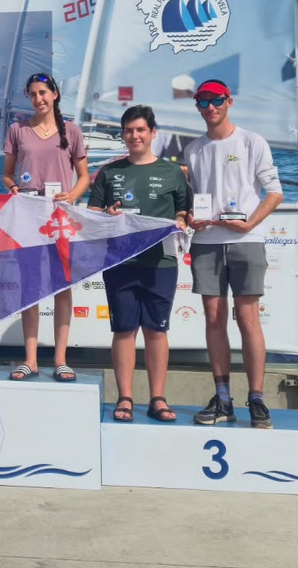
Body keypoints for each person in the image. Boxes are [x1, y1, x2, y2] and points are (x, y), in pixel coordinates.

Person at [185, 79, 283, 429]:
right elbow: (193, 198)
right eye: (203, 102)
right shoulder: (193, 149)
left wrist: (249, 223)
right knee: (213, 318)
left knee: (247, 318)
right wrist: (190, 217)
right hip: (207, 242)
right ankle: (223, 398)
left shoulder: (252, 141)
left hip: (247, 240)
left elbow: (274, 193)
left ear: (229, 101)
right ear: (197, 107)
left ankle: (256, 399)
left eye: (216, 100)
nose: (210, 107)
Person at [88, 106, 189, 421]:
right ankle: (125, 398)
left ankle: (158, 398)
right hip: (120, 261)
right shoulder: (109, 172)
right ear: (123, 134)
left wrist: (181, 220)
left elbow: (183, 211)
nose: (135, 136)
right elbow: (92, 213)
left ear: (153, 133)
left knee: (157, 331)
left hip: (161, 263)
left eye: (141, 130)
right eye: (129, 131)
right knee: (124, 330)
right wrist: (108, 215)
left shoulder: (173, 172)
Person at [2, 72, 90, 382]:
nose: (38, 98)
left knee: (62, 288)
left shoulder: (72, 131)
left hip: (60, 221)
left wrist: (73, 195)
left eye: (42, 92)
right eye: (32, 94)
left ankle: (61, 360)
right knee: (30, 288)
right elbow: (7, 175)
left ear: (54, 94)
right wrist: (13, 187)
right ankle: (30, 359)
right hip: (28, 219)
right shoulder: (17, 130)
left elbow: (84, 177)